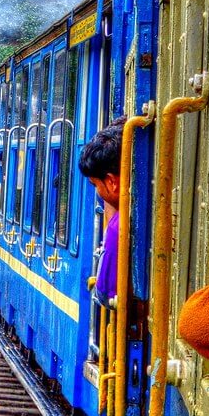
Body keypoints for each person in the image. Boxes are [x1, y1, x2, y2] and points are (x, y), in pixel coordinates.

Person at [77, 124, 124, 305]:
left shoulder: (117, 227)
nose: (98, 193)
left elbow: (105, 295)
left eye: (95, 184)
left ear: (112, 181)